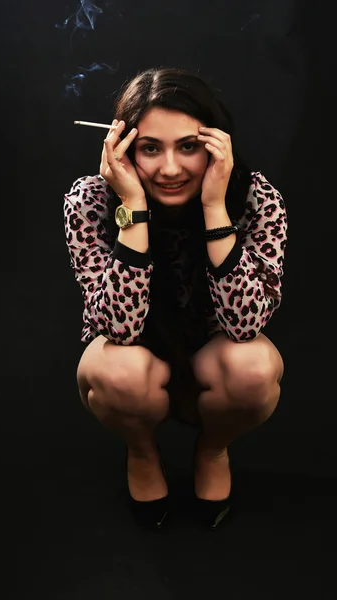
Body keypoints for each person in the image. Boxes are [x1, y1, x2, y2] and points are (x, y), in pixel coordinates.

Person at [64, 67, 287, 530]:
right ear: (122, 147)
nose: (169, 169)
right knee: (117, 369)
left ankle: (213, 448)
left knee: (255, 368)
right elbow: (117, 328)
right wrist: (133, 213)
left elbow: (246, 323)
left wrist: (213, 208)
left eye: (188, 146)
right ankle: (142, 451)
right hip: (136, 369)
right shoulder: (89, 201)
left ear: (214, 143)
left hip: (213, 361)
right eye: (150, 148)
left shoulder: (256, 198)